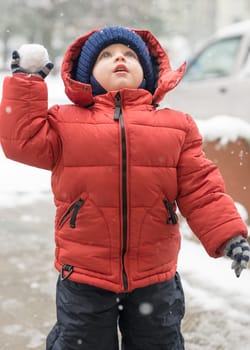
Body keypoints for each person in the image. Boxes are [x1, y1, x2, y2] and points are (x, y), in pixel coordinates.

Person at [0, 25, 249, 350]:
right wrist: (27, 81)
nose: (119, 57)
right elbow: (22, 141)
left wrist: (229, 235)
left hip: (155, 275)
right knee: (82, 344)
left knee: (158, 343)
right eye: (106, 55)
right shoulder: (65, 123)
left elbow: (202, 188)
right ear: (86, 72)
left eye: (130, 54)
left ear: (146, 72)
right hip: (85, 273)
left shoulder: (176, 126)